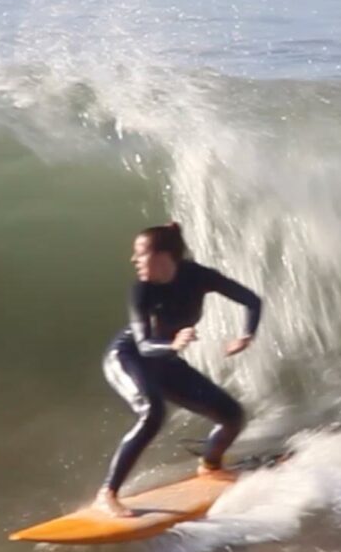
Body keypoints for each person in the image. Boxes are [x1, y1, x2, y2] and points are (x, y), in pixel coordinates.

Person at [95, 222, 262, 517]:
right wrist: (173, 345)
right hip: (128, 356)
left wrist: (246, 335)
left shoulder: (197, 276)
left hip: (165, 361)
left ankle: (210, 467)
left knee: (232, 416)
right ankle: (108, 493)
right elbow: (145, 344)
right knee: (153, 412)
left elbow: (251, 300)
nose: (133, 260)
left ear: (163, 256)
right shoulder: (141, 291)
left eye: (140, 254)